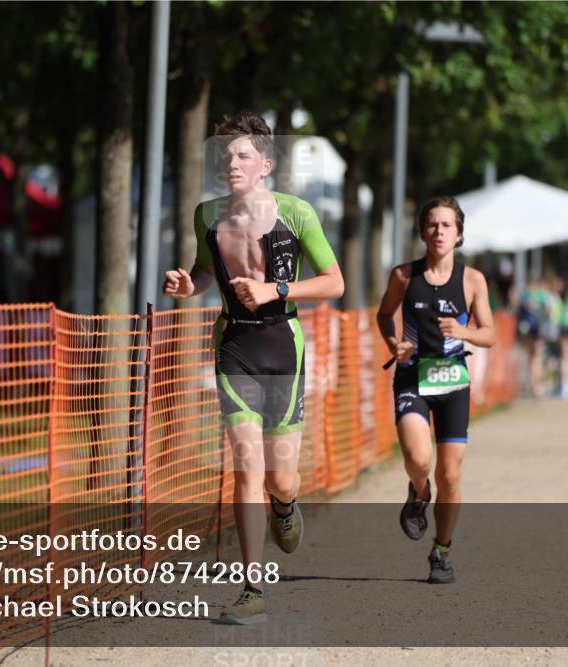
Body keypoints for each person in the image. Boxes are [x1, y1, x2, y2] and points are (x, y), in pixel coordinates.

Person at [163, 110, 344, 624]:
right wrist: (186, 287)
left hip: (282, 346)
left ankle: (285, 506)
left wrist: (276, 289)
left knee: (280, 479)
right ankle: (252, 587)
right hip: (233, 345)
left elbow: (334, 283)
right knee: (245, 466)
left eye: (243, 155)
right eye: (225, 155)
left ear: (265, 164)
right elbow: (204, 273)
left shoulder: (297, 213)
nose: (232, 163)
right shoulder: (207, 216)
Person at [376, 196, 495, 584]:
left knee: (451, 473)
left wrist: (464, 332)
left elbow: (489, 333)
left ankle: (442, 551)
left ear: (458, 234)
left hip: (453, 382)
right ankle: (417, 492)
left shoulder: (473, 280)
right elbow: (384, 315)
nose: (439, 231)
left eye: (447, 225)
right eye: (432, 224)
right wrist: (395, 344)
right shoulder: (403, 277)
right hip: (412, 377)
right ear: (423, 232)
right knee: (416, 457)